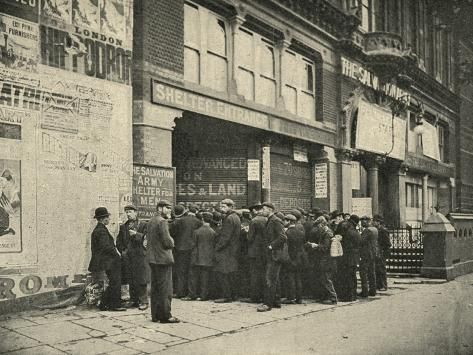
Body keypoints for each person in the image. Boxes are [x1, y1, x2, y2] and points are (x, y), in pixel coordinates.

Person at [147, 200, 179, 323]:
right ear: (160, 208)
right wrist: (173, 241)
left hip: (153, 258)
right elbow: (167, 242)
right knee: (166, 289)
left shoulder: (151, 221)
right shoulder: (162, 221)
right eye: (167, 208)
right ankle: (166, 316)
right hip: (163, 259)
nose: (170, 210)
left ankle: (155, 315)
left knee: (155, 289)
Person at [88, 207, 126, 311]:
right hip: (109, 262)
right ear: (103, 219)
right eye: (108, 217)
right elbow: (106, 247)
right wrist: (117, 255)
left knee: (114, 282)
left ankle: (105, 303)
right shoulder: (101, 231)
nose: (109, 219)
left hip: (107, 261)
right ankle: (114, 305)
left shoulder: (99, 229)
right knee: (115, 282)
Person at [116, 205, 148, 310]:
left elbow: (147, 239)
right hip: (128, 257)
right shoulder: (123, 227)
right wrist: (123, 252)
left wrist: (136, 234)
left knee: (141, 279)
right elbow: (119, 241)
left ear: (136, 213)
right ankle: (134, 300)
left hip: (140, 257)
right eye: (127, 212)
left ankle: (143, 301)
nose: (128, 214)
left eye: (130, 212)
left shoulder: (143, 225)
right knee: (131, 278)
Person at [257, 202, 287, 312]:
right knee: (275, 279)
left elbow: (283, 237)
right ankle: (276, 301)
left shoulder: (275, 221)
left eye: (264, 209)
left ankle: (267, 304)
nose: (262, 211)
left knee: (269, 279)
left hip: (274, 255)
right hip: (273, 255)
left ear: (270, 210)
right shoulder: (270, 220)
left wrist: (271, 246)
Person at [170, 204, 202, 298]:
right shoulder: (198, 222)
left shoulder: (180, 221)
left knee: (181, 272)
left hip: (180, 249)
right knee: (192, 272)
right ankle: (191, 293)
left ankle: (180, 293)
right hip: (192, 249)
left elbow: (172, 232)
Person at [183, 212, 216, 301]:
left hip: (196, 257)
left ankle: (192, 294)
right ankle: (203, 295)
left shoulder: (196, 232)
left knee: (193, 277)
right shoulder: (213, 232)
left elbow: (192, 245)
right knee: (205, 278)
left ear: (202, 220)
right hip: (208, 258)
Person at [214, 199, 241, 303]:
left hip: (226, 251)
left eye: (224, 207)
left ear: (231, 207)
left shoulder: (229, 218)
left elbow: (226, 237)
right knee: (231, 274)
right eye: (221, 206)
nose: (221, 209)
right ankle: (234, 295)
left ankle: (227, 296)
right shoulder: (236, 217)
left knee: (223, 273)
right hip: (233, 250)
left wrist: (217, 247)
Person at [307, 216, 338, 304]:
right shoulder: (325, 232)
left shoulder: (327, 233)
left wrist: (315, 245)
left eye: (318, 225)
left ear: (321, 224)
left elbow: (325, 248)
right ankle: (327, 297)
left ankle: (333, 298)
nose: (318, 228)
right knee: (324, 278)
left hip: (327, 260)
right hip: (325, 260)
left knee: (326, 279)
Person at [243, 202, 267, 304]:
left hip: (254, 251)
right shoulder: (267, 219)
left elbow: (250, 238)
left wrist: (246, 231)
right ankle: (263, 295)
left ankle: (255, 297)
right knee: (263, 274)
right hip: (264, 251)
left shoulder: (254, 221)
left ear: (254, 211)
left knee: (254, 275)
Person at [335, 215, 361, 302]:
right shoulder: (356, 231)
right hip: (354, 257)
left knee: (345, 276)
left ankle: (346, 296)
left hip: (346, 257)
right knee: (352, 276)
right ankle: (353, 295)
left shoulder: (346, 229)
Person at [282, 214, 305, 304]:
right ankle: (299, 298)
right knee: (298, 278)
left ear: (289, 221)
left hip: (291, 258)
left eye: (285, 221)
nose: (284, 222)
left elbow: (286, 247)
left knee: (290, 278)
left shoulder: (287, 233)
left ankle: (291, 297)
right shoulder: (300, 232)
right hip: (299, 258)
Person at [359, 216, 379, 298]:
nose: (361, 223)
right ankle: (373, 290)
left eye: (362, 221)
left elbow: (361, 241)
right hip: (373, 253)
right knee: (372, 272)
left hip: (366, 254)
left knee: (363, 273)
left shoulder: (367, 230)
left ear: (366, 221)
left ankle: (365, 291)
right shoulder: (374, 229)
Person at [373, 214, 391, 291]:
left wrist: (383, 252)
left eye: (374, 221)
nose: (373, 222)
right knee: (377, 268)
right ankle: (379, 285)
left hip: (382, 252)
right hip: (377, 252)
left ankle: (384, 285)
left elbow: (387, 243)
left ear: (378, 222)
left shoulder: (383, 230)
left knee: (382, 269)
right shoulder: (376, 230)